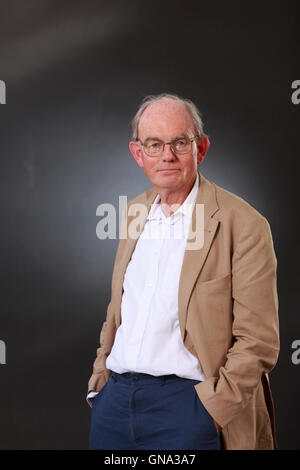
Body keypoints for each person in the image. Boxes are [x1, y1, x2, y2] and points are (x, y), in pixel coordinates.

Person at [87, 93, 280, 450]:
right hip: (115, 404)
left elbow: (259, 341)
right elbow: (119, 310)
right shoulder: (132, 214)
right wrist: (100, 383)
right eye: (154, 144)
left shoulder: (244, 224)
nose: (167, 155)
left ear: (201, 149)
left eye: (179, 142)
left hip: (190, 407)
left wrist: (213, 409)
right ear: (138, 153)